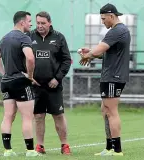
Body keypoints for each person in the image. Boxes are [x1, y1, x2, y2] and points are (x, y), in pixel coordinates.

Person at [78, 3, 130, 156]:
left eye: (103, 18)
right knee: (105, 110)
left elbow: (99, 49)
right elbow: (104, 52)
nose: (102, 21)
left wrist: (88, 55)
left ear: (111, 16)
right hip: (111, 76)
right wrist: (91, 52)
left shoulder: (117, 30)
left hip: (113, 76)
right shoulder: (118, 31)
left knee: (111, 111)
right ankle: (109, 148)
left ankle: (117, 150)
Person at [0, 11, 40, 157]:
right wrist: (30, 77)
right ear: (22, 22)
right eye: (29, 21)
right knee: (27, 117)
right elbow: (30, 58)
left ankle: (8, 150)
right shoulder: (23, 37)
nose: (31, 24)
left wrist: (4, 74)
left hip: (6, 82)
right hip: (20, 82)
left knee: (7, 116)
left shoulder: (4, 38)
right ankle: (30, 151)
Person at [27, 11, 71, 155]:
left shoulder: (59, 37)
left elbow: (66, 60)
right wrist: (29, 76)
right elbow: (23, 58)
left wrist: (57, 78)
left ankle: (64, 145)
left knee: (58, 115)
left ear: (50, 23)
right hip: (35, 85)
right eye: (38, 23)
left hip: (54, 85)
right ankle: (40, 146)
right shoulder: (29, 37)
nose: (39, 26)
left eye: (43, 23)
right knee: (38, 116)